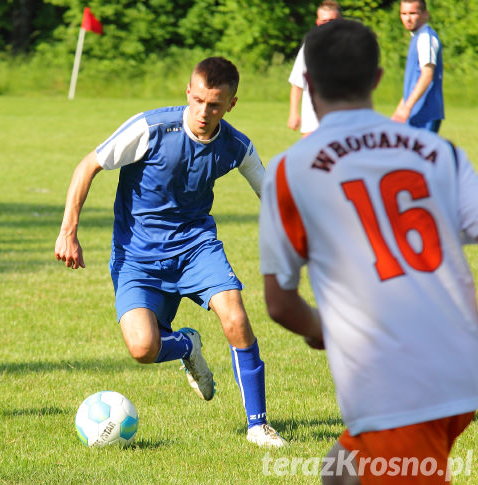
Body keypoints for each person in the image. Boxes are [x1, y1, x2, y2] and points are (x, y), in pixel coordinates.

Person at [260, 19, 478, 483]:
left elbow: (279, 302)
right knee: (339, 473)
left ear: (309, 82)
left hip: (398, 386)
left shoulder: (289, 170)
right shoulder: (441, 152)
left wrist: (322, 329)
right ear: (378, 78)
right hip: (461, 362)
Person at [55, 56, 286, 447]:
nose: (203, 111)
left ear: (231, 104)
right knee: (143, 348)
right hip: (137, 257)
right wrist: (68, 232)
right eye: (197, 100)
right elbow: (87, 166)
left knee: (235, 316)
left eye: (214, 105)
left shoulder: (236, 146)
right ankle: (187, 345)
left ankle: (258, 426)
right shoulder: (150, 128)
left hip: (196, 248)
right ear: (188, 93)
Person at [287, 0, 341, 137]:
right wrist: (293, 113)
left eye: (332, 20)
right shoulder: (309, 48)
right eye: (324, 21)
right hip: (312, 119)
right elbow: (297, 83)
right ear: (318, 22)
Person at [391, 0, 444, 132]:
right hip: (414, 111)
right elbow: (413, 81)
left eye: (413, 13)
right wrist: (400, 110)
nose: (408, 18)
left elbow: (427, 75)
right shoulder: (417, 37)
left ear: (425, 14)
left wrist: (407, 108)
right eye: (404, 13)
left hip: (424, 113)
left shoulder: (426, 37)